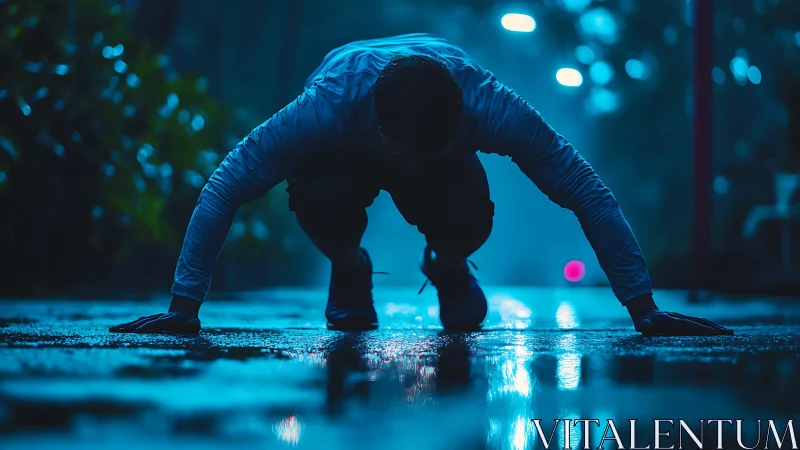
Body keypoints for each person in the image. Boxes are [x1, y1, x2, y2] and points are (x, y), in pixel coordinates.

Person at [110, 33, 733, 336]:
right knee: (318, 192)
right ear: (377, 126)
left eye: (423, 151)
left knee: (468, 208)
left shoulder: (488, 105)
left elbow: (583, 189)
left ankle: (447, 262)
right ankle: (349, 265)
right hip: (342, 161)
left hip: (444, 170)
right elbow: (227, 184)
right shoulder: (328, 105)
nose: (404, 164)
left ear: (457, 126)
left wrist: (643, 308)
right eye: (399, 151)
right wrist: (182, 311)